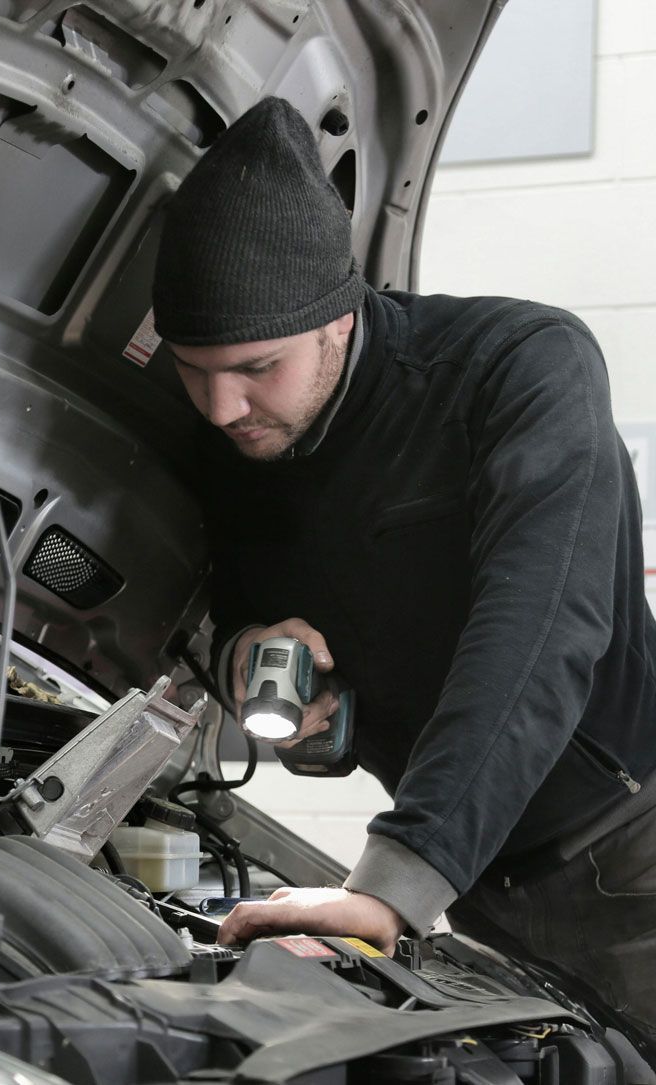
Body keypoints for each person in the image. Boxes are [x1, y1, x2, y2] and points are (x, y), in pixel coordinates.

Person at [151, 96, 656, 1032]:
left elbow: (540, 631)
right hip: (479, 887)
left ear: (339, 321)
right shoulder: (227, 441)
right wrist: (247, 663)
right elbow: (212, 607)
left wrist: (395, 880)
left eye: (256, 368)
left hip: (632, 858)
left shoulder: (520, 369)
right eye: (192, 369)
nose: (221, 408)